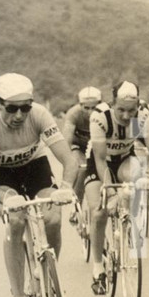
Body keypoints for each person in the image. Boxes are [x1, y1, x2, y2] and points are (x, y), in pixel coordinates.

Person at [0, 73, 78, 297]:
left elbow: (70, 160)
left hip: (34, 168)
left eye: (25, 108)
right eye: (11, 109)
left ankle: (49, 280)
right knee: (16, 222)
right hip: (1, 175)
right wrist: (6, 198)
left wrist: (65, 188)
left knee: (52, 218)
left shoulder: (40, 114)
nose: (19, 115)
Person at [85, 81, 149, 294]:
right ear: (112, 103)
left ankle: (126, 219)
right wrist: (109, 192)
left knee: (133, 177)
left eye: (131, 110)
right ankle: (98, 268)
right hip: (100, 162)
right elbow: (100, 160)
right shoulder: (101, 116)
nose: (127, 116)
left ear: (138, 104)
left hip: (125, 158)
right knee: (99, 213)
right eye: (121, 110)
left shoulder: (143, 117)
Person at [61, 86, 103, 215]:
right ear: (80, 106)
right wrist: (68, 163)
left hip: (97, 145)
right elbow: (66, 141)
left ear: (100, 105)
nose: (90, 112)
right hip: (79, 146)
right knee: (82, 168)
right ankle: (77, 204)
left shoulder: (106, 112)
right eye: (86, 108)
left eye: (94, 108)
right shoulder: (73, 114)